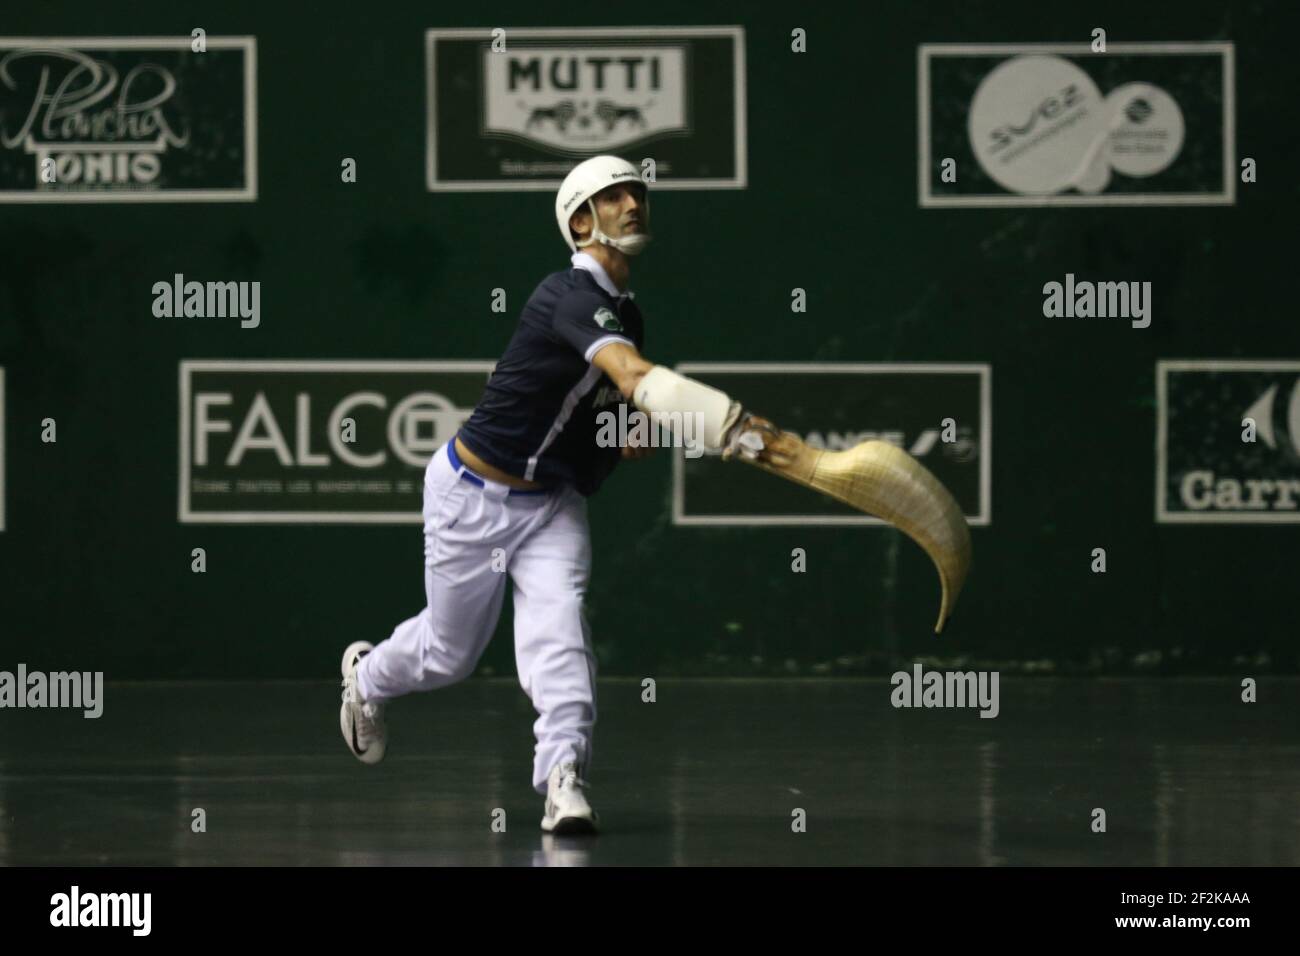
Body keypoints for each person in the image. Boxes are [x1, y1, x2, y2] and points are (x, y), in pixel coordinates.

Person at [337, 155, 661, 834]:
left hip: (551, 507)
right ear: (580, 222)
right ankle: (366, 679)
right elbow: (629, 375)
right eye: (614, 196)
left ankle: (564, 779)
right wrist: (693, 409)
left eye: (636, 192)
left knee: (559, 632)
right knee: (449, 655)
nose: (633, 202)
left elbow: (619, 419)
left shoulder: (631, 320)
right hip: (471, 496)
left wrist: (638, 431)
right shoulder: (565, 296)